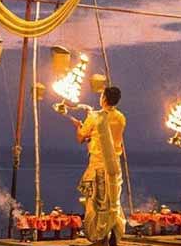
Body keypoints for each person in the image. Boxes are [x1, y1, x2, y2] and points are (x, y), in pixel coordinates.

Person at [71, 87, 126, 246]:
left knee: (97, 203)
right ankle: (114, 233)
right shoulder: (121, 117)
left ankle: (100, 237)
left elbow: (81, 137)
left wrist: (78, 127)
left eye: (102, 95)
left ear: (104, 99)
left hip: (99, 168)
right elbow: (107, 137)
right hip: (115, 167)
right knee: (113, 202)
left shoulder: (95, 117)